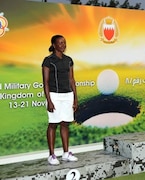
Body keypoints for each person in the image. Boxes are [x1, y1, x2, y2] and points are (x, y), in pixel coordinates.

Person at [42, 35, 79, 165]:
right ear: (54, 44)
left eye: (64, 43)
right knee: (53, 124)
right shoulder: (48, 61)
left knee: (65, 123)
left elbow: (71, 80)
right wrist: (49, 101)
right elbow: (45, 82)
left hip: (67, 95)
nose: (63, 45)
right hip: (54, 95)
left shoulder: (69, 60)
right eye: (60, 43)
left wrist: (75, 98)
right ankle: (52, 155)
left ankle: (66, 153)